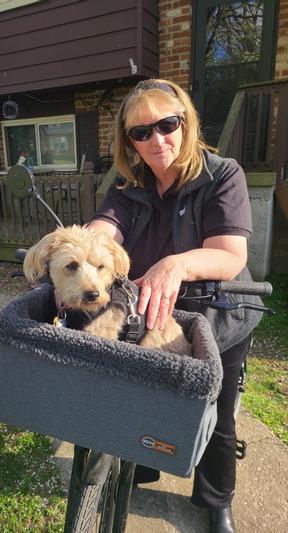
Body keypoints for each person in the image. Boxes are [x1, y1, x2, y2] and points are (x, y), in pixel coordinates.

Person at [89, 78, 263, 533]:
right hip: (150, 313)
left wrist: (177, 264)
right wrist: (79, 251)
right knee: (140, 393)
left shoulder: (223, 175)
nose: (155, 139)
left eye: (166, 124)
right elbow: (104, 230)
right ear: (129, 142)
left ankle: (215, 499)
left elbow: (229, 254)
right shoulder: (128, 187)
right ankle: (141, 466)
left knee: (215, 412)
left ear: (185, 122)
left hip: (216, 314)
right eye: (140, 132)